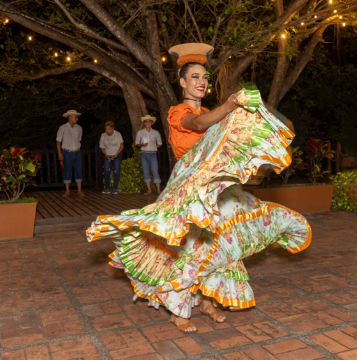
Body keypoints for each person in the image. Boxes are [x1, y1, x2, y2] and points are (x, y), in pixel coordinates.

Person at [87, 43, 311, 334]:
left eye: (204, 77)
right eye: (194, 77)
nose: (201, 82)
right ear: (182, 82)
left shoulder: (211, 111)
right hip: (190, 188)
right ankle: (179, 309)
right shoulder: (177, 112)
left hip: (215, 186)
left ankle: (206, 300)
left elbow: (223, 131)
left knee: (221, 243)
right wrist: (229, 105)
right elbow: (197, 122)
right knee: (191, 248)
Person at [56, 109, 84, 197]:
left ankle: (79, 190)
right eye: (75, 117)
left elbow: (79, 139)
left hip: (77, 152)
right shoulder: (62, 128)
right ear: (70, 117)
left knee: (78, 170)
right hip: (67, 152)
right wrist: (60, 153)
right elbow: (58, 141)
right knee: (67, 171)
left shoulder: (79, 128)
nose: (77, 119)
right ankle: (67, 191)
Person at [135, 115, 162, 195]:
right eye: (146, 121)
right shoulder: (140, 133)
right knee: (145, 171)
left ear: (152, 123)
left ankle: (158, 190)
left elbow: (160, 143)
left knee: (155, 171)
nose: (147, 123)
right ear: (143, 123)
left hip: (153, 154)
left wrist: (154, 147)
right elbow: (137, 143)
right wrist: (142, 145)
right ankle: (149, 189)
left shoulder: (156, 133)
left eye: (149, 121)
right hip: (144, 154)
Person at [100, 121, 124, 195]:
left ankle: (115, 189)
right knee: (107, 170)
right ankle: (107, 189)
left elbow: (122, 146)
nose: (108, 131)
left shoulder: (118, 134)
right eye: (106, 129)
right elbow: (102, 147)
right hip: (107, 155)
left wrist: (115, 155)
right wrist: (106, 155)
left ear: (113, 128)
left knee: (116, 171)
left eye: (109, 129)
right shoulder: (103, 135)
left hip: (117, 154)